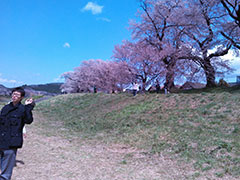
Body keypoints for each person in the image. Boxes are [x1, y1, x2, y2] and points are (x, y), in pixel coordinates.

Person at [0, 87, 35, 180]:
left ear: (21, 98)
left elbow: (28, 120)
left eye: (17, 95)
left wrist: (29, 108)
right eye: (13, 94)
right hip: (1, 138)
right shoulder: (6, 107)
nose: (14, 96)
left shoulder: (23, 109)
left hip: (12, 141)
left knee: (6, 169)